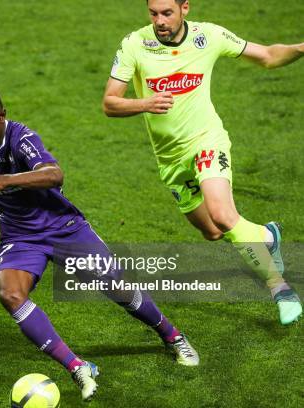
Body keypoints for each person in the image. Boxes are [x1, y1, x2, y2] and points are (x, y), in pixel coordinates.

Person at [0, 85, 199, 402]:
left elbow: (54, 175)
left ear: (2, 116)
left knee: (117, 287)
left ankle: (172, 335)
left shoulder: (22, 139)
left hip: (63, 228)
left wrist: (4, 180)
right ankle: (78, 366)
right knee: (10, 293)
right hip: (19, 237)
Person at [103, 0, 302, 325]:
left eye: (167, 13)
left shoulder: (209, 36)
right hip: (171, 161)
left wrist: (300, 47)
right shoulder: (134, 44)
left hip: (207, 142)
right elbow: (110, 103)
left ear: (185, 8)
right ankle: (267, 237)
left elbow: (267, 56)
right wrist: (144, 102)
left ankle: (279, 288)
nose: (159, 21)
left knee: (224, 216)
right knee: (212, 231)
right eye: (153, 13)